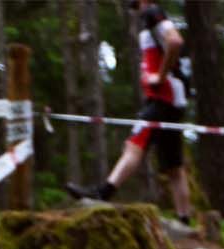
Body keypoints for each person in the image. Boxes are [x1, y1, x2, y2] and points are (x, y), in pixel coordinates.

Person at [67, 0, 191, 223]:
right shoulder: (151, 18)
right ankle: (184, 219)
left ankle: (103, 192)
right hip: (170, 100)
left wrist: (160, 76)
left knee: (134, 145)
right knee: (174, 166)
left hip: (163, 98)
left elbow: (175, 42)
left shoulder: (153, 13)